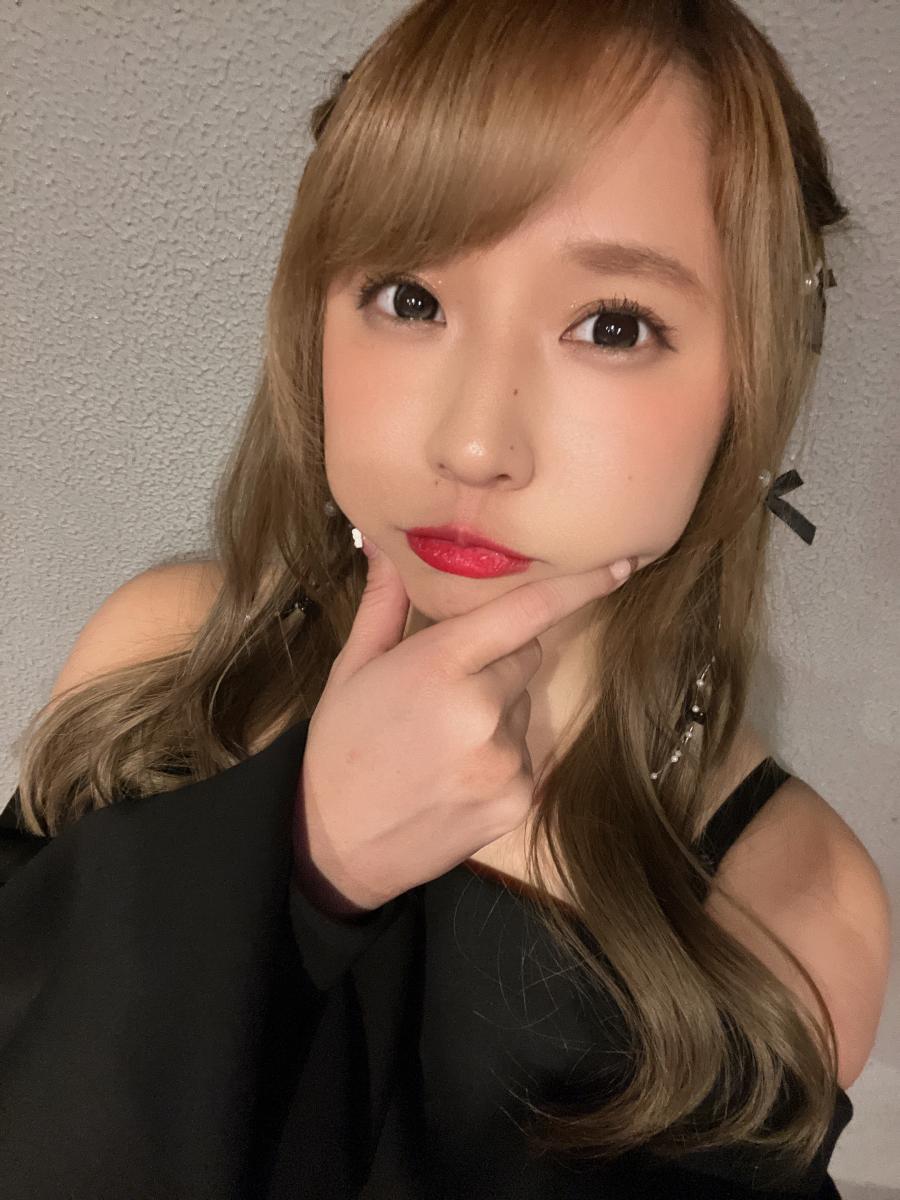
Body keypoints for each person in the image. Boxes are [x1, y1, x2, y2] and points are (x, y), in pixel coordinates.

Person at [0, 1, 890, 1197]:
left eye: (613, 325)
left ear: (752, 374)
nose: (473, 445)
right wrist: (300, 860)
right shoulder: (164, 675)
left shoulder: (791, 907)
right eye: (410, 299)